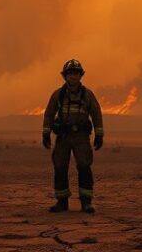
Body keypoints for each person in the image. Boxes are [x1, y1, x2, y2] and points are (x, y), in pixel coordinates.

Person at [42, 59, 104, 213]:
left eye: (76, 74)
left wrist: (99, 134)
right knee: (60, 167)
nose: (73, 77)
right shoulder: (58, 95)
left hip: (81, 137)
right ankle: (62, 202)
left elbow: (96, 113)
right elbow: (49, 114)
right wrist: (46, 133)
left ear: (80, 76)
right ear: (65, 76)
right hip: (63, 137)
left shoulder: (88, 95)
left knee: (84, 167)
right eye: (70, 74)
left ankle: (86, 202)